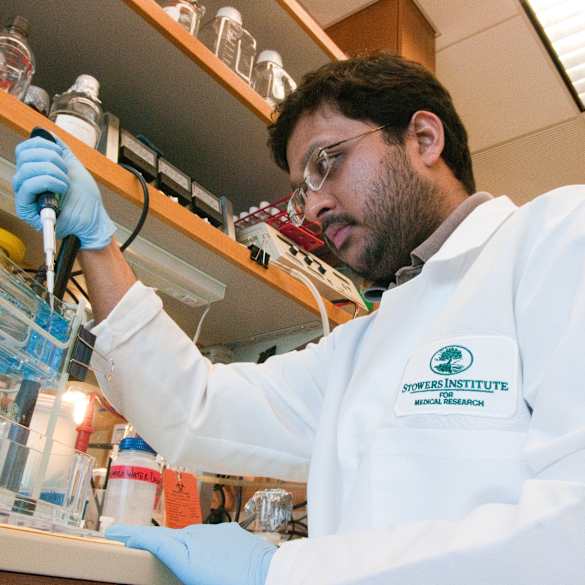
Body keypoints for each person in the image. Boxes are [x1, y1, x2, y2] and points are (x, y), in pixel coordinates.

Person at [12, 53, 585, 584]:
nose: (312, 207)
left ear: (424, 138)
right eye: (300, 191)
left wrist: (283, 573)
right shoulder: (359, 347)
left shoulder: (557, 238)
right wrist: (98, 241)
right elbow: (196, 409)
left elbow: (570, 531)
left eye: (326, 163)